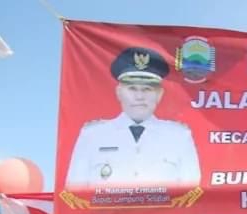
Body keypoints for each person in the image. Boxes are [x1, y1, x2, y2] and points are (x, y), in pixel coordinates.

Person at [66, 47, 201, 189]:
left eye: (147, 89)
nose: (139, 97)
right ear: (119, 92)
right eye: (132, 89)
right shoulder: (92, 135)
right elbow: (75, 192)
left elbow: (191, 193)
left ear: (159, 94)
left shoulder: (179, 136)